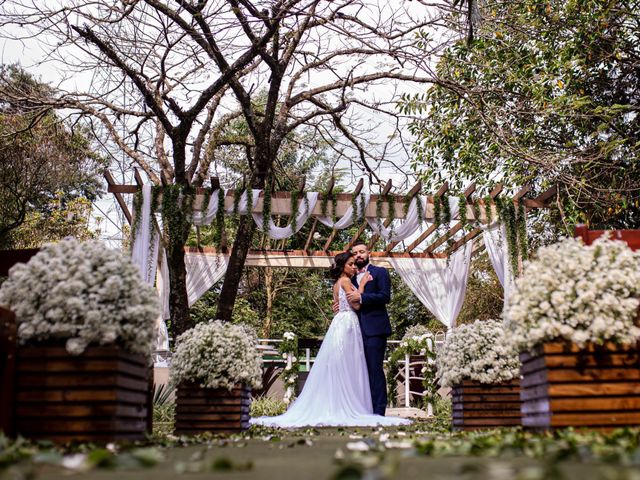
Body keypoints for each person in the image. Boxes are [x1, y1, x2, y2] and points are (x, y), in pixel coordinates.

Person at [250, 251, 410, 428]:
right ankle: (348, 404)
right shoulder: (347, 281)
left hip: (339, 323)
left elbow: (339, 304)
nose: (354, 267)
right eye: (350, 264)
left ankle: (339, 401)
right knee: (349, 364)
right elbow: (356, 304)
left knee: (340, 363)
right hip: (348, 323)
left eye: (354, 264)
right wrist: (363, 285)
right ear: (343, 266)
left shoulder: (336, 284)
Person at [344, 241, 393, 416]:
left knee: (374, 369)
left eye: (362, 252)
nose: (358, 255)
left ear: (369, 253)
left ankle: (378, 411)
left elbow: (385, 296)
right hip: (353, 331)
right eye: (355, 253)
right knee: (357, 371)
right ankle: (361, 409)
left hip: (375, 330)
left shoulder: (380, 272)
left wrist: (362, 297)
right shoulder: (348, 277)